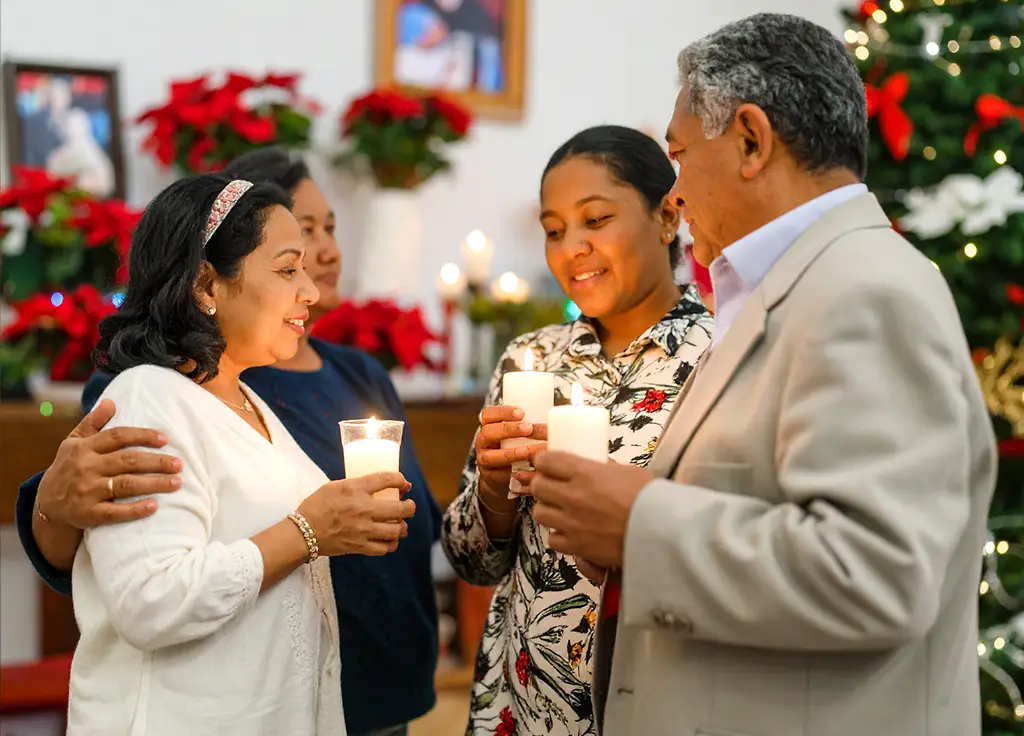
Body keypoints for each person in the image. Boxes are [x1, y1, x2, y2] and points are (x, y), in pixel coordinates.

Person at [529, 14, 997, 736]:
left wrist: (640, 522)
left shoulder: (866, 292)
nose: (675, 193)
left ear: (750, 140)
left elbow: (875, 573)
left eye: (680, 156)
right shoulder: (794, 286)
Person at [15, 148, 442, 736]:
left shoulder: (248, 401)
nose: (311, 290)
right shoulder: (147, 397)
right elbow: (149, 600)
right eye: (288, 267)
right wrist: (310, 531)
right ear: (207, 282)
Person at [441, 125, 713, 735]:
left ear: (668, 217)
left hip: (654, 690)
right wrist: (491, 490)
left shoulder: (718, 356)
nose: (572, 248)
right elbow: (471, 560)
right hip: (529, 699)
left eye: (595, 220)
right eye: (554, 230)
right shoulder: (529, 359)